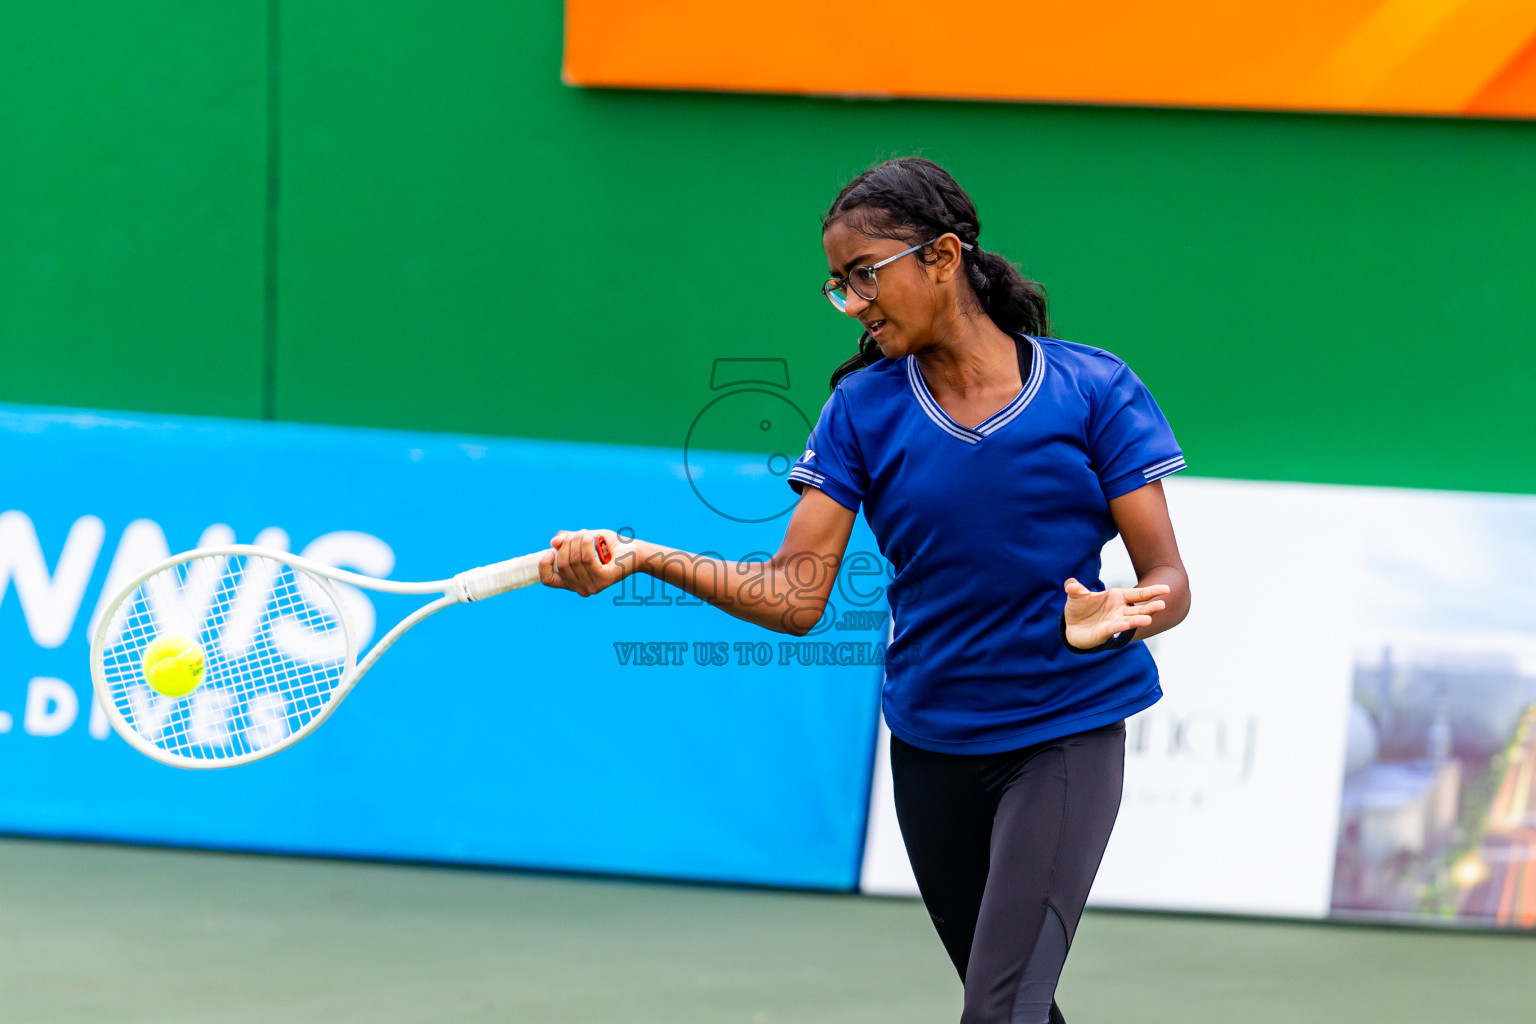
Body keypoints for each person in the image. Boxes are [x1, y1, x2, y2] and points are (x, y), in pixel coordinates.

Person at [540, 156, 1190, 1024]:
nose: (855, 303)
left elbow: (1169, 579)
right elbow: (793, 596)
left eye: (866, 277)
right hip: (931, 749)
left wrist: (1125, 617)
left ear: (944, 257)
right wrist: (643, 555)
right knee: (1014, 1006)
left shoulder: (1093, 388)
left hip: (1061, 738)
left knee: (999, 1011)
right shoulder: (861, 410)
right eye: (838, 286)